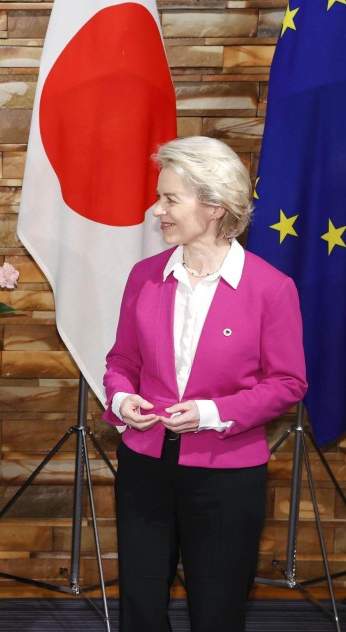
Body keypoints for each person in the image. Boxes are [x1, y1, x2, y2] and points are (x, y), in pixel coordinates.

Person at [103, 136, 307, 631]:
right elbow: (121, 360)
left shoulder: (271, 288)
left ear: (214, 205)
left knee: (217, 609)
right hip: (144, 467)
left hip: (226, 474)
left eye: (170, 199)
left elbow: (287, 382)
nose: (157, 211)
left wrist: (210, 414)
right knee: (141, 607)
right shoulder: (143, 276)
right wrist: (122, 397)